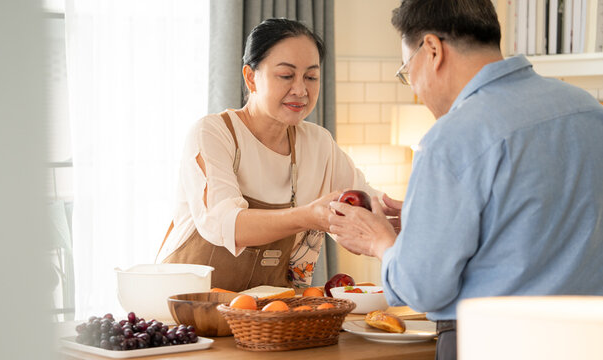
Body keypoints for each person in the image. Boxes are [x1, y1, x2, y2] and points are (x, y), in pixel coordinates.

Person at [327, 0, 603, 359]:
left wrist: (380, 241)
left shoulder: (450, 139)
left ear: (432, 50)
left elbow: (423, 289)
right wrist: (424, 222)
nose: (413, 86)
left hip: (494, 343)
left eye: (406, 70)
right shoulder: (588, 111)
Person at [158, 18, 401, 292]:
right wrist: (307, 216)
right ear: (251, 77)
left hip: (268, 319)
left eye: (311, 77)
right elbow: (224, 224)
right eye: (286, 76)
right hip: (186, 314)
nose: (301, 90)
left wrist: (402, 217)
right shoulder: (213, 133)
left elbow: (365, 204)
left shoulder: (319, 144)